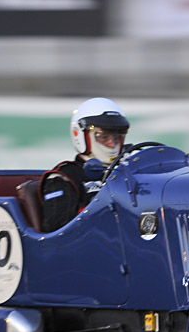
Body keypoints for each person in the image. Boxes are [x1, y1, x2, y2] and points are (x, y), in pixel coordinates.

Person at [39, 97, 129, 232]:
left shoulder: (127, 171)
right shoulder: (64, 177)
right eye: (104, 137)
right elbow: (58, 229)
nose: (112, 144)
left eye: (116, 138)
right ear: (80, 135)